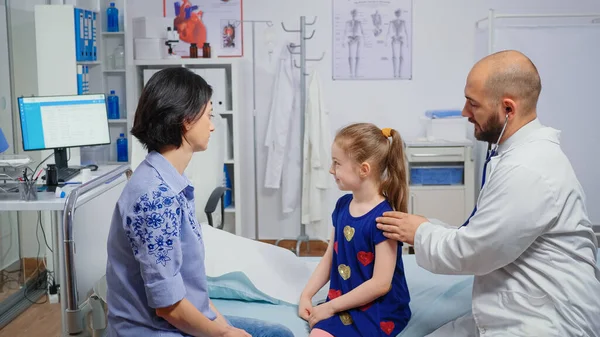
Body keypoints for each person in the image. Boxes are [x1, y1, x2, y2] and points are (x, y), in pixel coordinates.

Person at [376, 50, 600, 336]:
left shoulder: (528, 170)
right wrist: (429, 227)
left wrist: (419, 232)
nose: (464, 112)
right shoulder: (517, 155)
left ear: (508, 108)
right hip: (517, 303)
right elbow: (485, 234)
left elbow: (473, 252)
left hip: (546, 321)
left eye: (473, 104)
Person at [105, 67, 294, 337]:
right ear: (186, 120)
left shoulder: (170, 182)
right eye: (209, 115)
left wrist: (226, 327)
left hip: (176, 320)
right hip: (155, 330)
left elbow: (189, 289)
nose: (213, 125)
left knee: (275, 333)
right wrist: (225, 335)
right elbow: (168, 307)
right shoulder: (155, 198)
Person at [299, 123, 412, 337]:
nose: (331, 170)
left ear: (364, 169)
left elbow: (381, 284)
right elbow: (330, 256)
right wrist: (307, 295)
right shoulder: (342, 206)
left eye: (337, 163)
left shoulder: (384, 219)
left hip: (380, 308)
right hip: (345, 298)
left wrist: (330, 307)